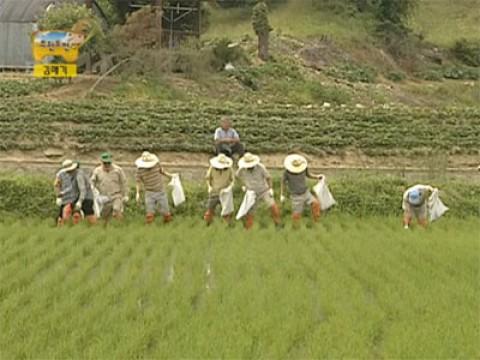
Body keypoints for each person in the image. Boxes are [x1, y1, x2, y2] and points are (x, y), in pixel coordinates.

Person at [236, 152, 281, 229]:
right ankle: (248, 231)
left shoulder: (260, 167)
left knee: (273, 207)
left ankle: (278, 224)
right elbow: (237, 177)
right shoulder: (242, 169)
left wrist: (270, 189)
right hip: (252, 193)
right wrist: (243, 185)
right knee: (250, 212)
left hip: (264, 190)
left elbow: (268, 178)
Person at [280, 154, 322, 226]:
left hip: (306, 193)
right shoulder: (287, 172)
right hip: (296, 196)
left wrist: (317, 176)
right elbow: (283, 182)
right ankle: (295, 229)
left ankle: (316, 223)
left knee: (316, 204)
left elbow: (308, 175)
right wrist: (282, 194)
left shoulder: (304, 168)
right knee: (296, 215)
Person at [135, 151, 174, 224]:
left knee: (166, 213)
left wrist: (170, 176)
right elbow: (138, 181)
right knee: (150, 215)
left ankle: (167, 226)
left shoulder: (156, 165)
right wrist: (137, 193)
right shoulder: (139, 170)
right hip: (149, 193)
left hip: (160, 191)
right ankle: (150, 229)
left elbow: (162, 172)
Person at [90, 152, 128, 222]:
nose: (107, 165)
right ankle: (105, 229)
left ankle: (121, 226)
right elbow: (92, 181)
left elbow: (123, 182)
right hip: (104, 196)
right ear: (101, 162)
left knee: (116, 210)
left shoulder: (118, 170)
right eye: (105, 163)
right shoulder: (97, 171)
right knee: (104, 216)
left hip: (116, 195)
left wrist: (125, 195)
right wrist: (93, 188)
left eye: (108, 163)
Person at [204, 154, 235, 225]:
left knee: (226, 213)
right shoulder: (212, 168)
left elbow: (233, 180)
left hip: (225, 194)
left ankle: (230, 226)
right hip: (214, 192)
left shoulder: (229, 169)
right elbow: (208, 178)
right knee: (209, 211)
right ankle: (208, 225)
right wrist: (209, 187)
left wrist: (229, 188)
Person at [54, 159, 79, 226]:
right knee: (62, 216)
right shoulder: (60, 174)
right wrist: (58, 196)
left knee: (76, 215)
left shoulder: (76, 173)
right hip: (65, 197)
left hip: (75, 197)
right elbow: (56, 185)